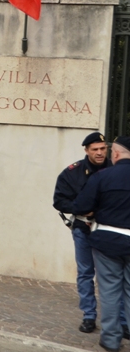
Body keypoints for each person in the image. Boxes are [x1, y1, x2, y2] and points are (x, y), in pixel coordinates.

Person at [53, 131, 126, 335]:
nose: (100, 153)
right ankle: (89, 316)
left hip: (108, 231)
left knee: (113, 277)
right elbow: (59, 201)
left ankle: (121, 320)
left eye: (103, 149)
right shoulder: (72, 172)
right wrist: (80, 209)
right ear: (86, 150)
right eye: (95, 150)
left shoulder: (115, 170)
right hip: (84, 229)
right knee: (86, 273)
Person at [71, 136, 130, 352]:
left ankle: (112, 339)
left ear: (114, 154)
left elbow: (81, 205)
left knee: (110, 290)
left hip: (108, 241)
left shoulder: (103, 176)